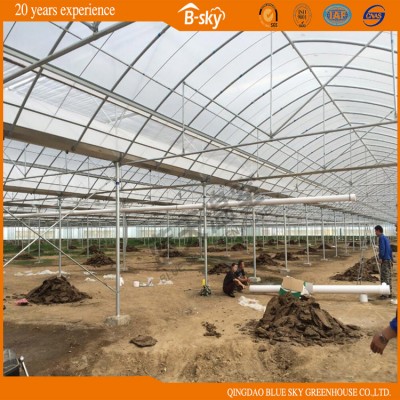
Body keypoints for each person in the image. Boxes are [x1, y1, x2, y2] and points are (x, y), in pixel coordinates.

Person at [374, 225, 393, 299]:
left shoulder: (381, 238)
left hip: (384, 260)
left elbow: (382, 248)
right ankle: (389, 292)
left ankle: (385, 294)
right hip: (388, 259)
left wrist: (380, 257)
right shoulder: (386, 238)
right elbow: (390, 249)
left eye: (375, 231)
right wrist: (391, 259)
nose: (375, 233)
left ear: (378, 230)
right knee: (388, 276)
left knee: (384, 277)